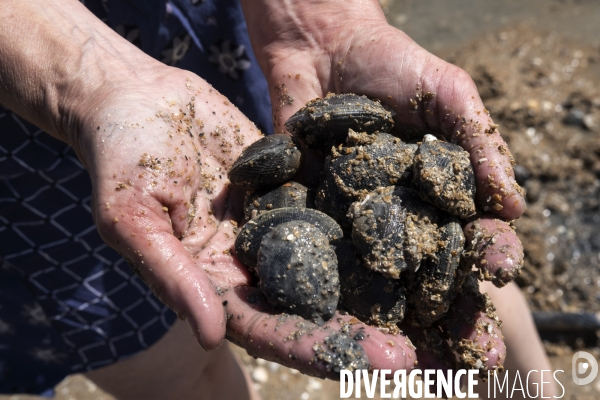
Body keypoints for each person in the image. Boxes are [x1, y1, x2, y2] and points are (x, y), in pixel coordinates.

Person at [0, 0, 553, 398]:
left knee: (462, 277)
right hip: (30, 135)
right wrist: (88, 81)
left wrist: (320, 14)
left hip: (230, 31)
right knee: (176, 371)